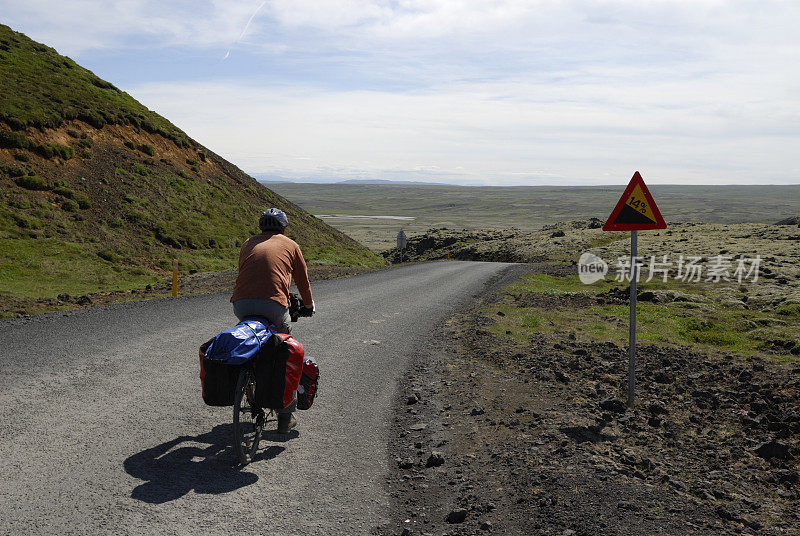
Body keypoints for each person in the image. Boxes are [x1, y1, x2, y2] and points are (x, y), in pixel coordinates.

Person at [231, 208, 315, 433]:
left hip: (241, 304)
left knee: (253, 340)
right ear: (283, 228)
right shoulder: (291, 245)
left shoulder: (248, 243)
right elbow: (302, 281)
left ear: (261, 227)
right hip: (274, 305)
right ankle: (286, 417)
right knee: (285, 353)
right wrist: (308, 306)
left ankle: (248, 379)